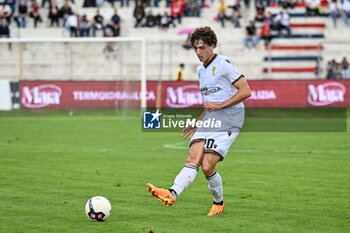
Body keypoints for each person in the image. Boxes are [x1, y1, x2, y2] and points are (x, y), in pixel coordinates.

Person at [146, 26, 251, 216]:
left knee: (207, 166)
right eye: (196, 48)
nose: (198, 52)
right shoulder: (200, 71)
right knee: (192, 158)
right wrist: (198, 121)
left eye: (202, 47)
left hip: (229, 119)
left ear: (213, 45)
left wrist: (220, 107)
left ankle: (218, 203)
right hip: (211, 119)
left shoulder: (224, 63)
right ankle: (172, 193)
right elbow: (210, 103)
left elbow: (246, 91)